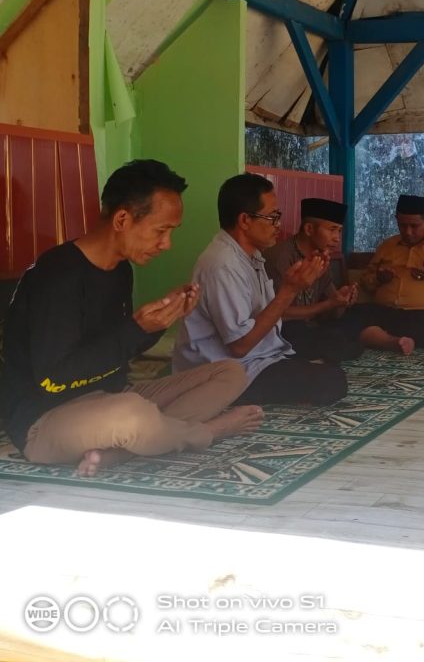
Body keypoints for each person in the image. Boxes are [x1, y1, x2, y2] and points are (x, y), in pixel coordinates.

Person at [0, 160, 258, 477]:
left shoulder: (121, 269)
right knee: (134, 414)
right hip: (44, 420)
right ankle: (206, 432)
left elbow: (116, 349)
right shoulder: (58, 277)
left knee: (231, 372)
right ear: (122, 219)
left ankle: (121, 449)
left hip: (112, 397)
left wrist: (159, 323)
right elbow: (53, 380)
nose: (166, 244)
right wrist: (137, 329)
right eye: (161, 231)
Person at [173, 173, 348, 405]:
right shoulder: (222, 264)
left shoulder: (251, 255)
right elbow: (240, 346)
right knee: (331, 381)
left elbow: (266, 316)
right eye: (272, 217)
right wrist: (289, 290)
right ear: (245, 220)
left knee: (333, 358)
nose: (278, 225)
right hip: (227, 371)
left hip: (260, 357)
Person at [348, 194, 424, 354]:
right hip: (386, 312)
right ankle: (392, 341)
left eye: (414, 226)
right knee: (354, 314)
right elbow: (365, 282)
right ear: (396, 220)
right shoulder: (387, 246)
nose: (408, 232)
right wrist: (379, 279)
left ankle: (377, 337)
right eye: (402, 225)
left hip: (423, 315)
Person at [264, 197, 363, 363]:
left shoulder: (320, 256)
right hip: (283, 329)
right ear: (309, 229)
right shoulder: (280, 257)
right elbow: (279, 314)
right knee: (326, 338)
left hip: (312, 327)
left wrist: (342, 301)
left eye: (339, 231)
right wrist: (329, 304)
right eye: (332, 230)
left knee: (355, 320)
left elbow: (333, 312)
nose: (337, 238)